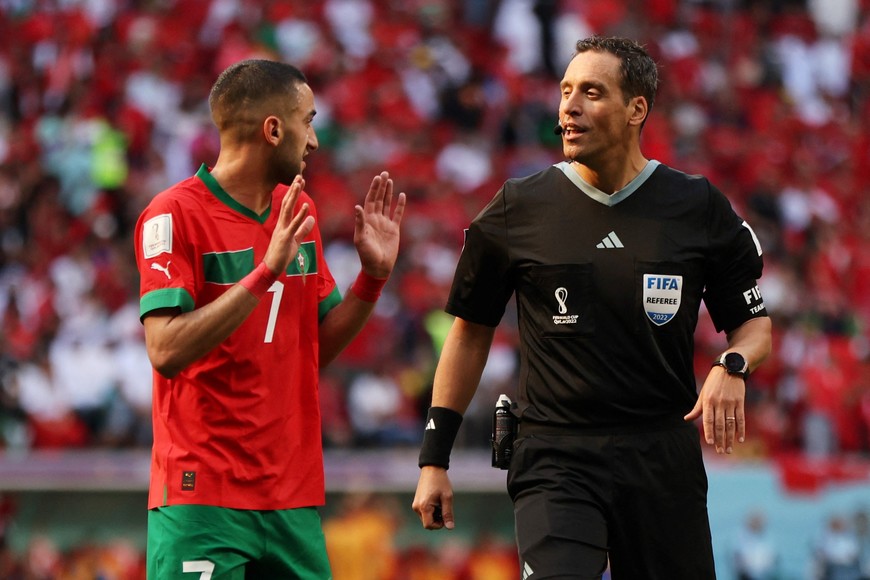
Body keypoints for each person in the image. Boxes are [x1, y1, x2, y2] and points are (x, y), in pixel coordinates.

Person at [412, 35, 771, 579]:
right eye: (565, 91)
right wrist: (434, 458)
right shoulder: (519, 207)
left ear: (636, 110)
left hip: (661, 457)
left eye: (592, 92)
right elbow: (469, 333)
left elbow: (754, 327)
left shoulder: (695, 206)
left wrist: (732, 365)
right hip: (554, 455)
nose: (569, 107)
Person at [135, 59, 405, 578]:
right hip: (202, 496)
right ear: (273, 129)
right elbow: (164, 349)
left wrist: (371, 280)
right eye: (309, 121)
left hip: (290, 497)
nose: (315, 141)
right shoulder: (173, 215)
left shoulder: (296, 217)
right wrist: (263, 273)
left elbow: (314, 351)